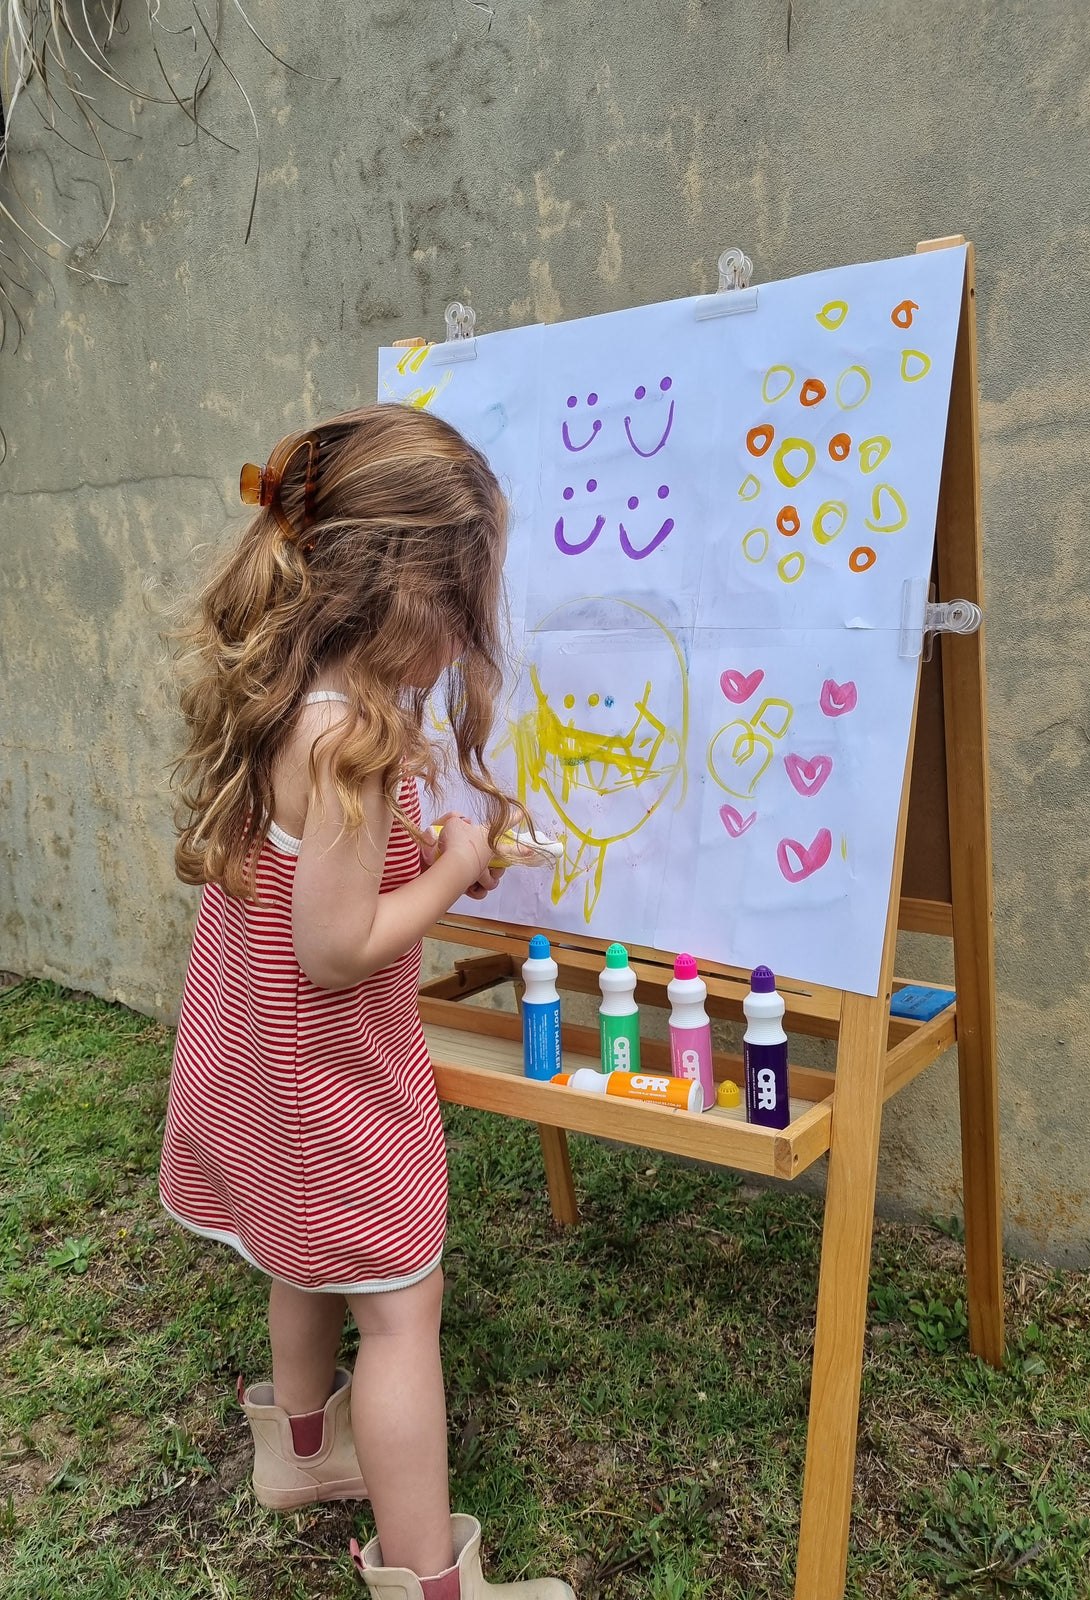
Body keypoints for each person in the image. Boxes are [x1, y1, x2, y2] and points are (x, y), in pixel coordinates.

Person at [160, 403, 573, 1600]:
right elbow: (338, 950)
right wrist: (450, 864)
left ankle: (299, 1448)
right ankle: (430, 1580)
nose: (465, 639)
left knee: (304, 1256)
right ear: (398, 586)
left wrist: (423, 844)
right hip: (325, 1083)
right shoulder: (351, 743)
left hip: (252, 1070)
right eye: (461, 605)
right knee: (399, 1310)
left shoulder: (292, 692)